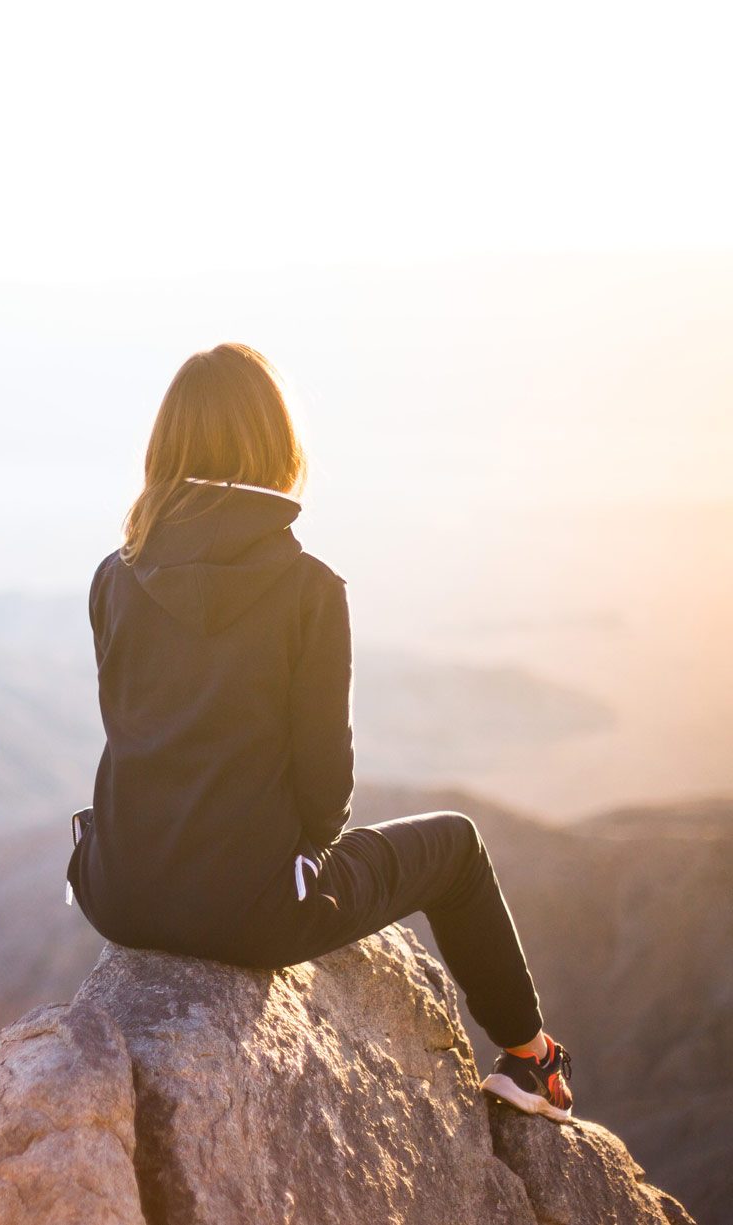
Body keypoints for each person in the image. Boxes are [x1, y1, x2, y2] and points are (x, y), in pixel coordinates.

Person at [67, 342, 574, 1123]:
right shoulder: (309, 589)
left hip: (117, 891)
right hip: (252, 913)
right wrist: (290, 865)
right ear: (277, 446)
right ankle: (529, 1056)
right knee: (460, 847)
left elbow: (131, 730)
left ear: (165, 448)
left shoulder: (114, 573)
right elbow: (326, 795)